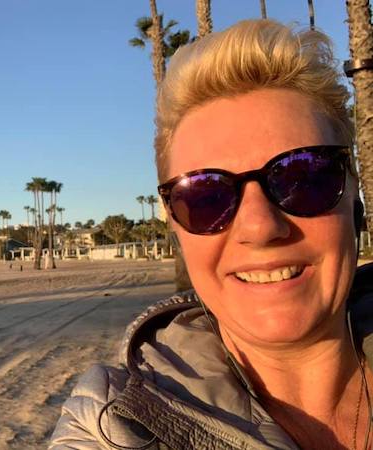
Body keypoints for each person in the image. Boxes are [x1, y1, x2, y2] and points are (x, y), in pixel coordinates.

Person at [50, 19, 373, 449]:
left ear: (355, 192)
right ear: (175, 224)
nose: (259, 227)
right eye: (206, 196)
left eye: (303, 177)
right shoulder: (114, 424)